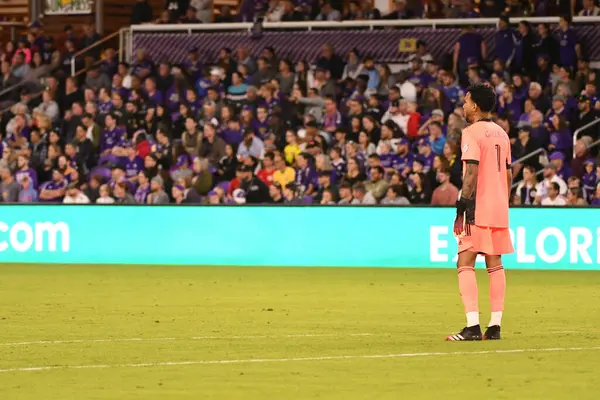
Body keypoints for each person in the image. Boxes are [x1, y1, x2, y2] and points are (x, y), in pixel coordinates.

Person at [447, 84, 513, 342]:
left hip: (478, 206)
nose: (463, 105)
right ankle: (495, 326)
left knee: (465, 262)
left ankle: (472, 326)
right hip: (499, 206)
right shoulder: (502, 133)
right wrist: (503, 202)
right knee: (495, 263)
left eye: (465, 101)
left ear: (475, 106)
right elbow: (508, 173)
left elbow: (471, 172)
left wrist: (462, 206)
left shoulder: (471, 132)